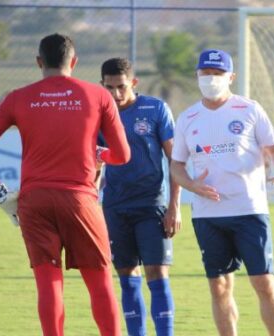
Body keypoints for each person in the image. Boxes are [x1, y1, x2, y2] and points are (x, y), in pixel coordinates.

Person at [0, 33, 130, 336]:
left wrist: (0, 194)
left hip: (34, 201)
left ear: (39, 62)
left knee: (49, 282)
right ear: (74, 62)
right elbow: (122, 155)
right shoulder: (99, 95)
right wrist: (96, 153)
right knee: (100, 281)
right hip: (80, 200)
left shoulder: (17, 97)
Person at [170, 49, 274, 336]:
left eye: (217, 74)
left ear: (231, 77)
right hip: (208, 216)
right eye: (205, 74)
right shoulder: (188, 117)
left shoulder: (249, 109)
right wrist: (191, 185)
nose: (210, 79)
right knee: (219, 286)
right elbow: (176, 166)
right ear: (198, 75)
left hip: (249, 211)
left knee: (263, 282)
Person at [98, 57, 181, 336]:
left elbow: (175, 160)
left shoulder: (155, 109)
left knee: (157, 274)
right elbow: (94, 164)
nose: (116, 94)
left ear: (133, 83)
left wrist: (174, 207)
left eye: (121, 87)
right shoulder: (99, 113)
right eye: (109, 88)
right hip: (115, 207)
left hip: (152, 205)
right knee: (127, 277)